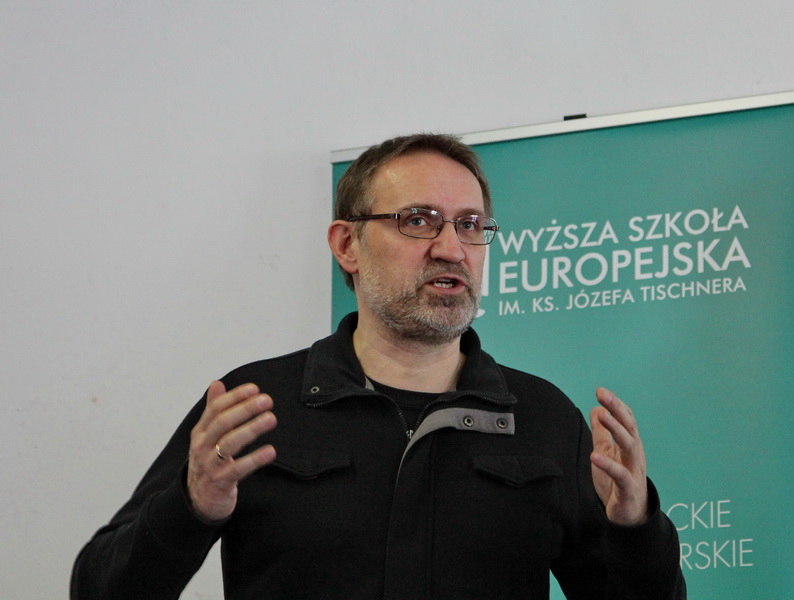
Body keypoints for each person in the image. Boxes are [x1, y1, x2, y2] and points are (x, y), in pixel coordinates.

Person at [71, 134, 686, 599]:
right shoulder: (256, 404)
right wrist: (190, 505)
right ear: (347, 245)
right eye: (418, 220)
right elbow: (99, 589)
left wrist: (635, 528)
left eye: (470, 225)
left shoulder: (544, 418)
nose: (452, 248)